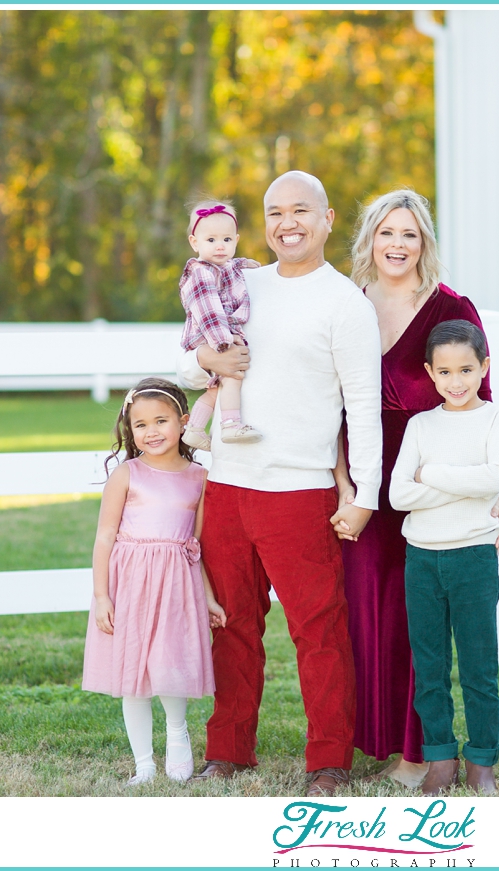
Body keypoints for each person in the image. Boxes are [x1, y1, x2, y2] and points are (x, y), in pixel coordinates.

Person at [174, 171, 382, 797]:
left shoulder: (346, 302)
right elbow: (186, 361)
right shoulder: (240, 280)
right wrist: (208, 361)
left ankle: (328, 761)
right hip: (229, 485)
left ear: (326, 217)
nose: (286, 223)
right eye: (274, 212)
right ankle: (229, 749)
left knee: (317, 629)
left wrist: (366, 494)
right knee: (233, 625)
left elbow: (363, 407)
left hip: (299, 490)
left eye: (300, 210)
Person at [331, 189, 499, 788]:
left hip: (434, 486)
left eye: (409, 233)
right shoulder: (348, 306)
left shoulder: (451, 308)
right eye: (386, 233)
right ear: (369, 241)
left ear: (423, 241)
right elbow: (328, 405)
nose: (397, 245)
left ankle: (418, 753)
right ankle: (382, 741)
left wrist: (494, 499)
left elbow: (483, 403)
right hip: (366, 487)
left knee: (417, 621)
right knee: (367, 615)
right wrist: (343, 486)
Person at [388, 319, 499, 796]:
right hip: (422, 559)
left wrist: (432, 475)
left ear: (484, 366)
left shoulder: (497, 419)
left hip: (473, 558)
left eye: (466, 369)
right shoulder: (421, 425)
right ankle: (440, 756)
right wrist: (462, 484)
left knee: (479, 665)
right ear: (430, 372)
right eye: (445, 372)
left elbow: (492, 479)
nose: (456, 382)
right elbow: (400, 495)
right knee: (430, 665)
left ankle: (482, 758)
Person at [81, 377, 227, 785]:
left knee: (170, 663)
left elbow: (194, 545)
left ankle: (178, 737)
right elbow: (104, 536)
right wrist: (101, 595)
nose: (151, 431)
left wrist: (209, 598)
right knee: (133, 674)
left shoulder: (200, 477)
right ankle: (144, 763)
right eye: (140, 424)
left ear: (183, 422)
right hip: (129, 583)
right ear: (130, 430)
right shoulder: (127, 474)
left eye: (161, 421)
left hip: (175, 585)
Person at [178, 199, 263, 450]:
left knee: (218, 388)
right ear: (195, 243)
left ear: (236, 240)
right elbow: (208, 311)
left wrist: (244, 263)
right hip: (212, 335)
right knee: (232, 374)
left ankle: (193, 429)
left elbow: (231, 267)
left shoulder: (224, 267)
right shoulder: (200, 272)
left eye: (226, 240)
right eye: (211, 240)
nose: (220, 246)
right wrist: (224, 341)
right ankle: (231, 425)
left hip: (217, 334)